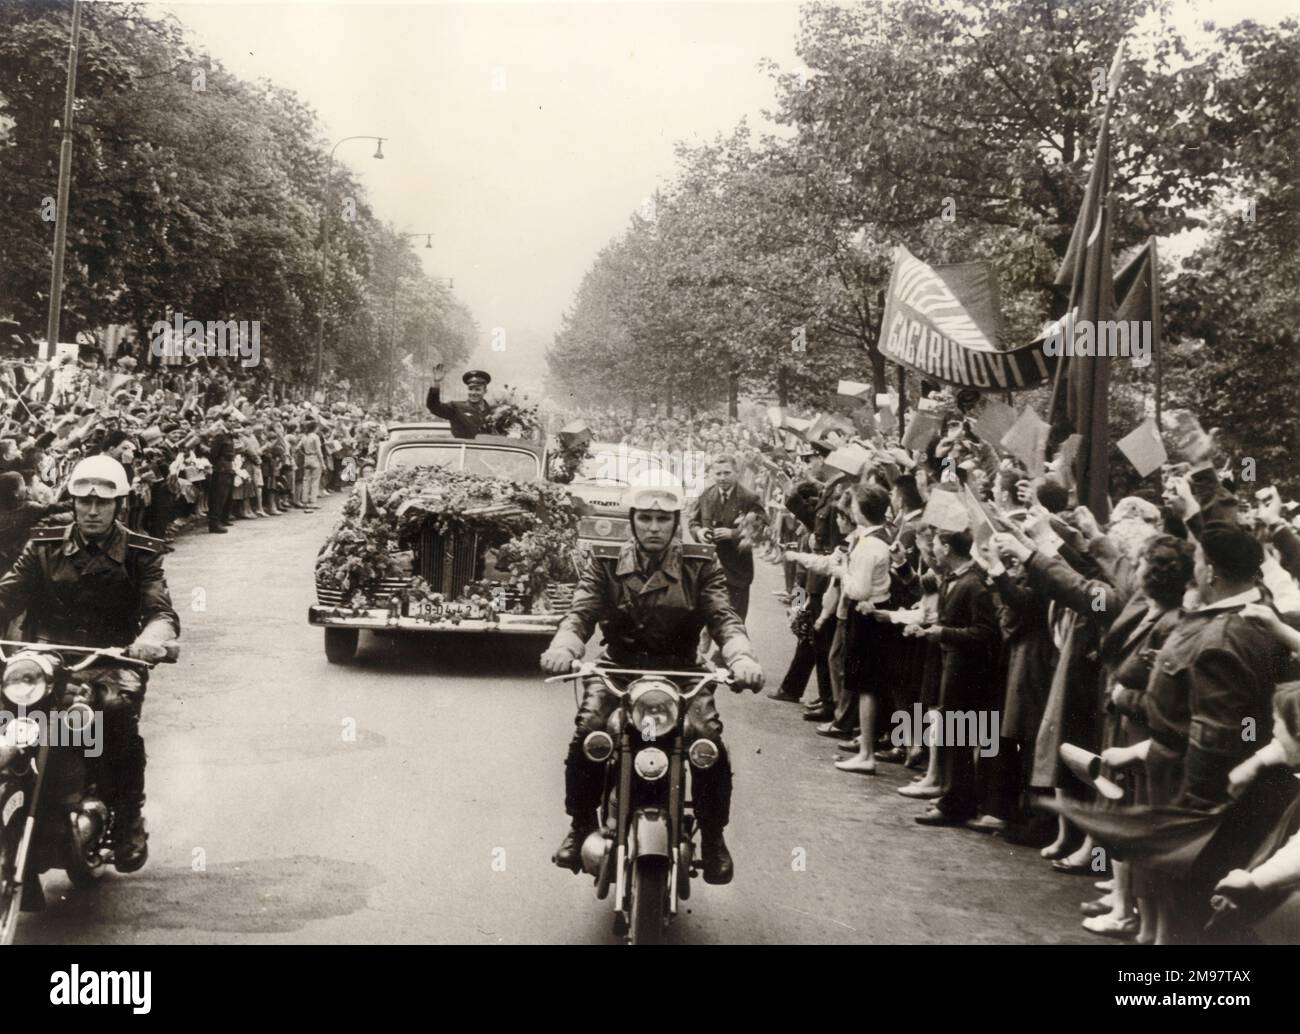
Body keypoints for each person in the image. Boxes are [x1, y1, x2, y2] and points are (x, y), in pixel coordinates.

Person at [540, 473, 764, 885]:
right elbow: (582, 610)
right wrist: (564, 648)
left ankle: (713, 839)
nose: (654, 528)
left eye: (663, 520)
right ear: (632, 520)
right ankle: (579, 826)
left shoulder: (700, 562)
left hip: (682, 672)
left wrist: (742, 656)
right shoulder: (606, 560)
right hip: (619, 670)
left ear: (677, 522)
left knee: (707, 743)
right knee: (589, 734)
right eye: (645, 518)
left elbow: (722, 615)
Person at [0, 455, 179, 872]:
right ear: (74, 502)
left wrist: (150, 641)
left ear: (119, 505)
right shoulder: (43, 544)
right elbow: (8, 593)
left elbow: (160, 611)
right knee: (10, 711)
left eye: (103, 503)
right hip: (43, 661)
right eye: (84, 502)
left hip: (111, 660)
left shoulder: (140, 553)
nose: (92, 511)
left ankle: (128, 818)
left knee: (114, 718)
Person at [688, 453, 767, 620]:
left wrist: (734, 534)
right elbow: (693, 522)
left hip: (737, 570)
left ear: (736, 472)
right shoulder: (706, 495)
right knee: (706, 618)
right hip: (709, 567)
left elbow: (762, 528)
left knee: (734, 619)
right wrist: (699, 532)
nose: (722, 478)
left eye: (727, 473)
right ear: (712, 474)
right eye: (718, 473)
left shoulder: (749, 497)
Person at [425, 366, 492, 439]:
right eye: (470, 389)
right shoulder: (456, 408)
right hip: (462, 449)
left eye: (477, 389)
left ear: (485, 391)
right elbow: (434, 406)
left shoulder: (494, 411)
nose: (473, 393)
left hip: (488, 450)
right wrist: (436, 383)